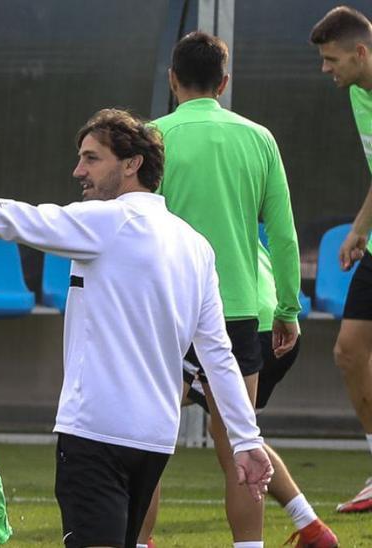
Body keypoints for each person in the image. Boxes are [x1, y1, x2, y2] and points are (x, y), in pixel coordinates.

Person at [0, 108, 273, 548]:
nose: (77, 170)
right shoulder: (196, 245)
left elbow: (19, 218)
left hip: (96, 433)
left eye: (91, 158)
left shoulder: (109, 221)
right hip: (156, 439)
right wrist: (246, 439)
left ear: (131, 164)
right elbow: (217, 357)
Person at [139, 31, 336, 547]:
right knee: (240, 446)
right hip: (240, 313)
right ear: (224, 83)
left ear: (172, 79)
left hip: (168, 310)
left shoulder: (151, 136)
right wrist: (289, 309)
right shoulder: (259, 138)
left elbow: (131, 227)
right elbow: (286, 235)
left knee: (149, 443)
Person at [311, 5, 372, 514]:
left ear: (361, 52)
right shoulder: (357, 93)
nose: (325, 69)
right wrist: (359, 229)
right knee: (348, 351)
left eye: (331, 59)